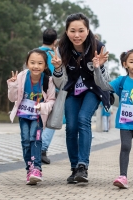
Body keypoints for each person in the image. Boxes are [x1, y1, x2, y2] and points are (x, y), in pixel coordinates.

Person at [50, 13, 110, 184]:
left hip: (93, 90)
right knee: (71, 127)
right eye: (72, 31)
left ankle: (83, 166)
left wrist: (98, 67)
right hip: (71, 92)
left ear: (88, 30)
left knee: (83, 119)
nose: (77, 35)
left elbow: (102, 82)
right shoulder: (61, 49)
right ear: (67, 31)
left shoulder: (99, 48)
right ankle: (74, 167)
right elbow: (60, 83)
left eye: (81, 30)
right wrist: (58, 69)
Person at [93, 49, 133, 189]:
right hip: (125, 122)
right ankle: (122, 176)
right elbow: (103, 85)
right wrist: (97, 68)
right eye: (131, 61)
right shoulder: (121, 81)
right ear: (125, 64)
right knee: (125, 146)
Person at [7, 49, 56, 185]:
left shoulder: (48, 81)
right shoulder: (21, 77)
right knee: (25, 141)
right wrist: (12, 85)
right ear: (27, 63)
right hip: (23, 116)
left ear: (45, 66)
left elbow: (52, 100)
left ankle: (37, 169)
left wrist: (43, 107)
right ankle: (29, 170)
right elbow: (12, 99)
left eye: (40, 63)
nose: (36, 66)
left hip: (38, 117)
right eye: (32, 62)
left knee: (36, 139)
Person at [38, 28, 58, 164]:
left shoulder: (34, 53)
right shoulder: (55, 55)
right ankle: (42, 149)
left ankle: (36, 147)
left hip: (35, 89)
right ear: (55, 41)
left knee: (37, 119)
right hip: (51, 91)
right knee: (52, 121)